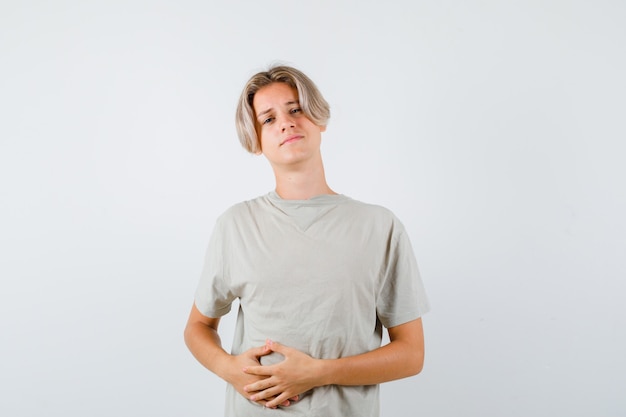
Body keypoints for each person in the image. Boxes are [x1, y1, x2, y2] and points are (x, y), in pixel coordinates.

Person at [184, 64, 430, 416]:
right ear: (256, 141)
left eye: (295, 109)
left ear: (319, 119)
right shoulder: (235, 225)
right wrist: (228, 368)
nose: (285, 122)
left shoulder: (379, 226)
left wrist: (319, 373)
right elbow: (197, 326)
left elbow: (411, 354)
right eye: (268, 119)